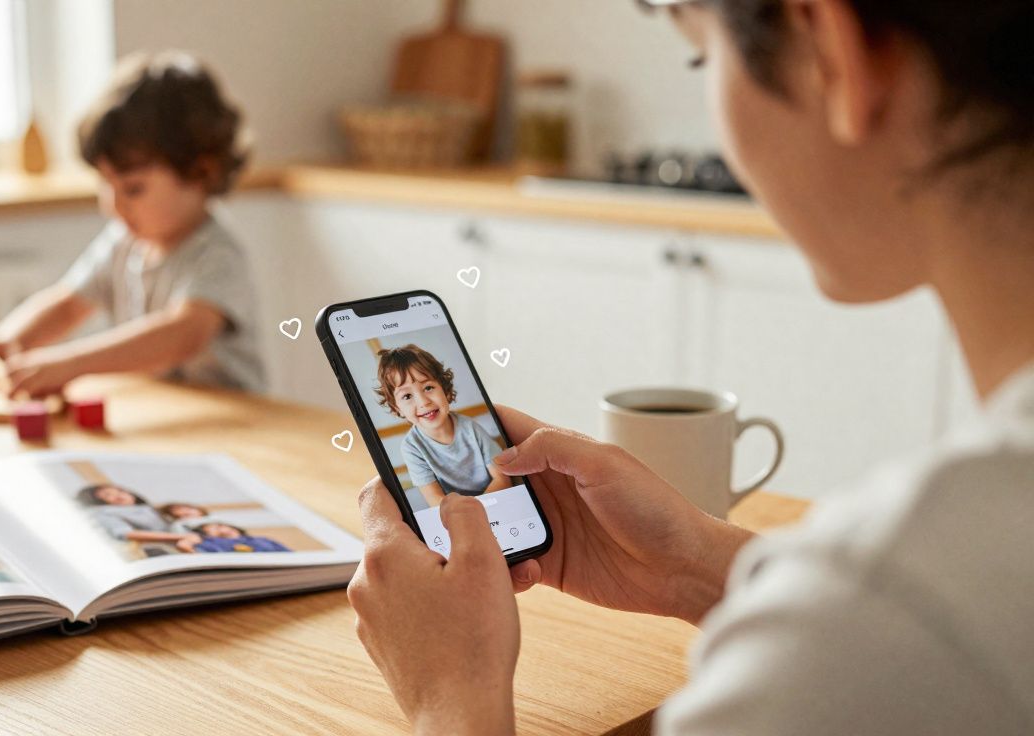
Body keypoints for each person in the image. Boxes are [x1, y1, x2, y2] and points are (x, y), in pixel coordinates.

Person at [346, 1, 1034, 734]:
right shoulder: (940, 581)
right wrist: (696, 566)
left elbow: (886, 638)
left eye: (704, 56)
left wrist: (452, 695)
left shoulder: (883, 619)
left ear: (828, 51)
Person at [0, 51, 265, 397]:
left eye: (133, 189)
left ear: (202, 171)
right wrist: (9, 340)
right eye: (105, 184)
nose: (112, 205)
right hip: (163, 410)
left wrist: (71, 364)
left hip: (236, 418)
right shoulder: (122, 242)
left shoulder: (217, 255)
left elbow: (183, 334)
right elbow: (67, 304)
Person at [373, 344, 513, 507]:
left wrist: (479, 507)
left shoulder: (470, 428)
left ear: (445, 390)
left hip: (492, 499)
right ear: (397, 408)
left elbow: (502, 478)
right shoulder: (412, 448)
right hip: (454, 513)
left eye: (428, 388)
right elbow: (435, 501)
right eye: (407, 396)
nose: (423, 402)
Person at [176, 522, 289, 554]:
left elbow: (288, 554)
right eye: (210, 529)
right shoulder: (208, 543)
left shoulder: (263, 539)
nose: (219, 529)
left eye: (219, 526)